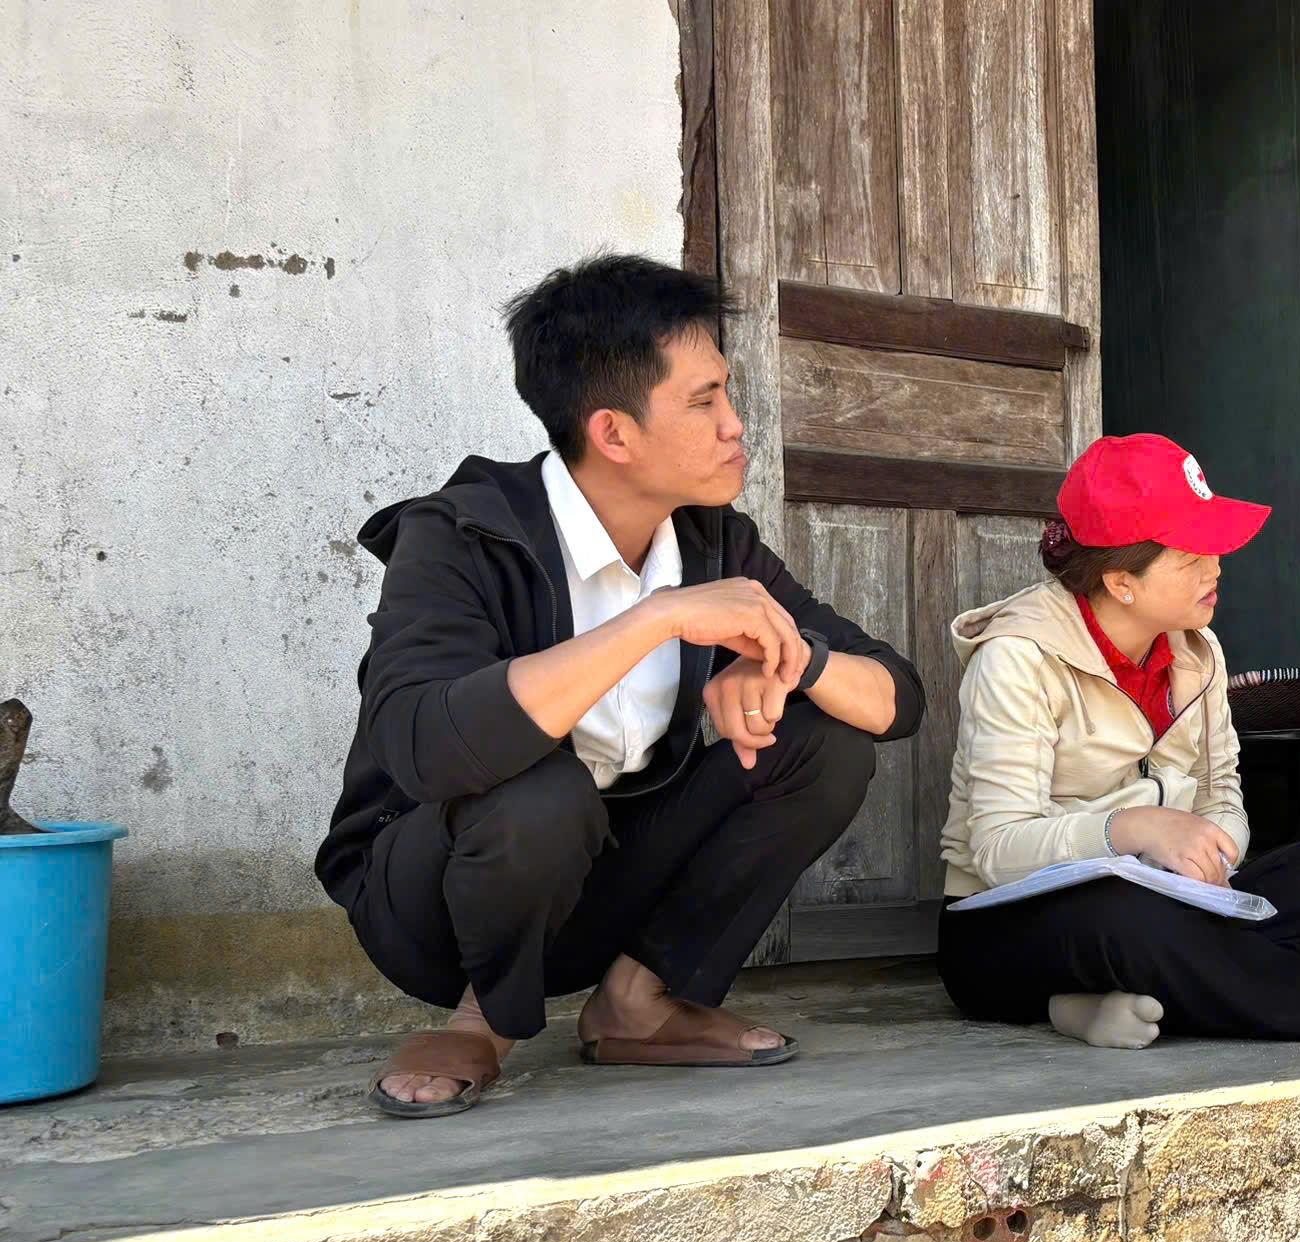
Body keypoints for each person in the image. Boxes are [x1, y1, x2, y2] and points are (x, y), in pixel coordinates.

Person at [315, 254, 923, 1118]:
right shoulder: (459, 536)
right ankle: (481, 1024)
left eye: (727, 393)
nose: (736, 425)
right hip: (435, 899)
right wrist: (658, 619)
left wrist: (795, 663)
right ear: (613, 433)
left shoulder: (714, 543)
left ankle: (637, 1001)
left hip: (598, 889)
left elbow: (899, 699)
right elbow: (426, 746)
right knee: (542, 787)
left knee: (825, 740)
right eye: (704, 402)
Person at [935, 433, 1300, 1049]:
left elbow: (1220, 790)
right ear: (1121, 582)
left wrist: (1214, 861)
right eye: (1191, 556)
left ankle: (1086, 1005)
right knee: (1125, 918)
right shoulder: (1017, 657)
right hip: (1010, 920)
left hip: (1170, 900)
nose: (1216, 568)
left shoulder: (1198, 651)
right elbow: (997, 849)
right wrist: (1135, 830)